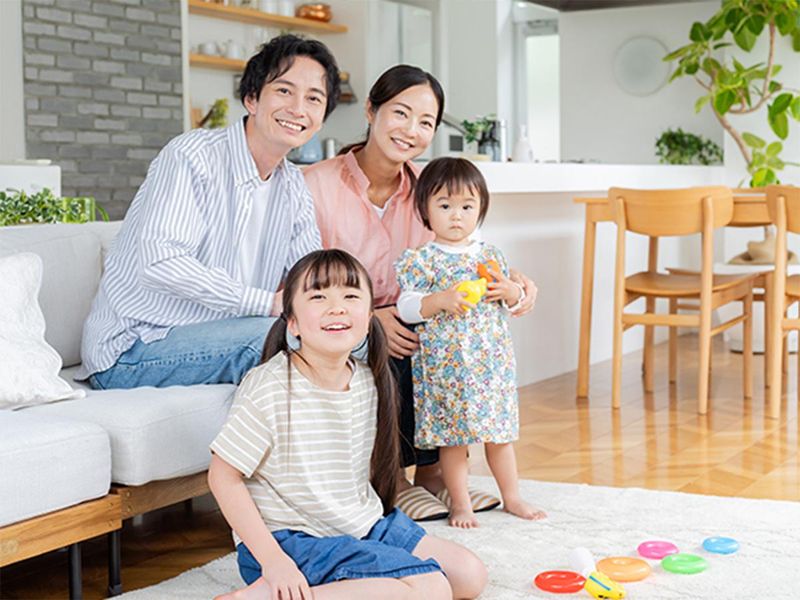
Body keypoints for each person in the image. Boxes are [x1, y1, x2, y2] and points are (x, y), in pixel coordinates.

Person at [304, 64, 537, 520]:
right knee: (391, 347)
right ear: (371, 110)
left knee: (436, 345)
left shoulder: (428, 187)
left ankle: (436, 478)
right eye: (400, 113)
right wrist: (368, 318)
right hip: (339, 319)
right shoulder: (316, 183)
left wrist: (515, 280)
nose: (411, 130)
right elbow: (304, 277)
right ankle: (392, 480)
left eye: (425, 122)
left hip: (414, 316)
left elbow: (463, 249)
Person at [208, 249, 488, 600]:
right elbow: (223, 477)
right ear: (292, 322)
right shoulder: (270, 385)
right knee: (430, 588)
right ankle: (266, 596)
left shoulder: (368, 378)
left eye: (350, 296)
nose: (336, 307)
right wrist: (275, 562)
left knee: (469, 575)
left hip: (360, 524)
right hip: (290, 541)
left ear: (369, 317)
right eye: (318, 297)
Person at [77, 34, 340, 389]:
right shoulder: (193, 156)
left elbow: (309, 274)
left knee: (354, 338)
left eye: (313, 99)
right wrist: (267, 303)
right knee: (273, 340)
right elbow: (161, 262)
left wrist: (342, 309)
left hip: (220, 335)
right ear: (252, 98)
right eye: (284, 91)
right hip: (134, 347)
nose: (298, 108)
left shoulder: (292, 183)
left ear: (321, 118)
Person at [395, 157, 547, 528]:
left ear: (480, 209)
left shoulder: (490, 257)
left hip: (491, 367)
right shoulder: (422, 260)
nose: (456, 216)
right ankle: (460, 503)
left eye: (467, 206)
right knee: (453, 442)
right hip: (446, 372)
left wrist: (511, 291)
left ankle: (512, 497)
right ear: (425, 210)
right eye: (445, 206)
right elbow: (407, 307)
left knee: (500, 437)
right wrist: (439, 300)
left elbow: (513, 304)